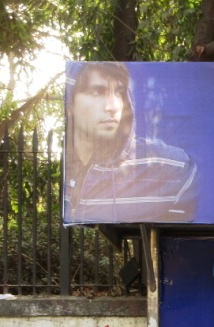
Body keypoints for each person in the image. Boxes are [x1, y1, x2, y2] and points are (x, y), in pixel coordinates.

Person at [64, 62, 198, 223]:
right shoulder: (63, 169)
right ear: (70, 102)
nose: (112, 107)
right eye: (97, 92)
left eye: (119, 93)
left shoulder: (171, 167)